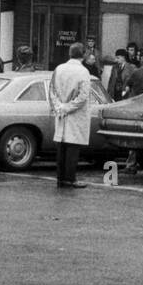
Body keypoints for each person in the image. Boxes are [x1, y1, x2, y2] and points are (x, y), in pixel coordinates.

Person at [50, 42, 93, 189]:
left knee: (61, 146)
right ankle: (70, 178)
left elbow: (52, 90)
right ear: (83, 54)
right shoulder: (83, 72)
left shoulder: (59, 69)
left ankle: (60, 178)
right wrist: (68, 107)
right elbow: (83, 96)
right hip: (75, 113)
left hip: (61, 112)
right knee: (73, 147)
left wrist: (59, 107)